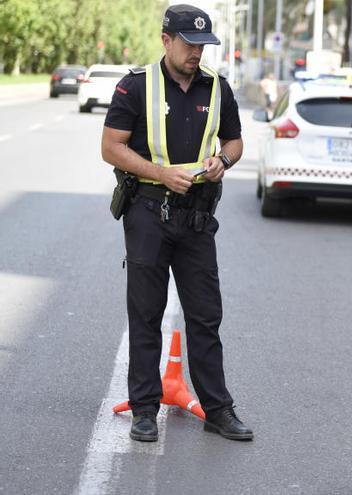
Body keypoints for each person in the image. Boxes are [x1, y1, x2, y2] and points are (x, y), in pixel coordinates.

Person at [101, 4, 252, 442]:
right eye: (188, 43)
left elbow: (235, 140)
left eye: (202, 45)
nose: (196, 53)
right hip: (148, 212)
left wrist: (224, 160)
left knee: (206, 316)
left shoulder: (218, 88)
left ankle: (218, 410)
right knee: (146, 315)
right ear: (166, 40)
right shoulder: (135, 87)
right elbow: (111, 147)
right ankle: (146, 410)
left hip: (197, 217)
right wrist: (161, 172)